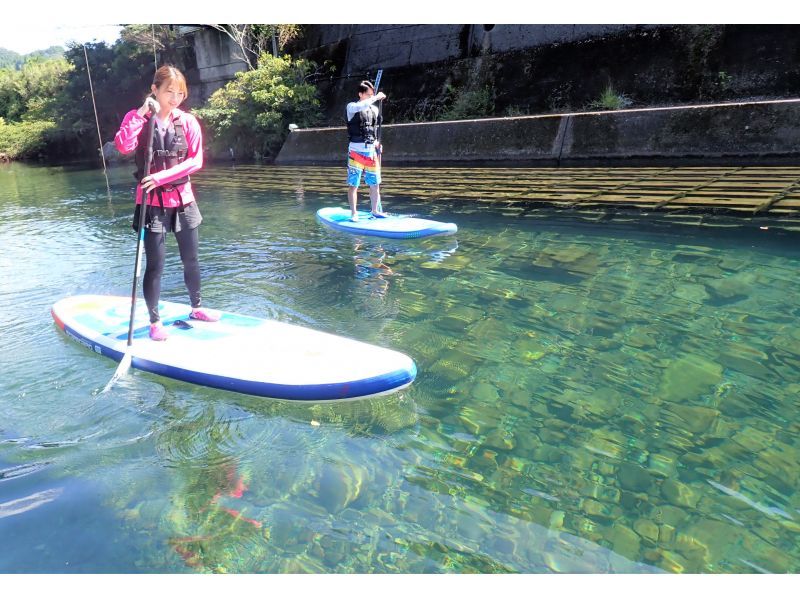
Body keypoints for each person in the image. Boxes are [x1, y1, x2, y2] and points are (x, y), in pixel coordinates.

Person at [114, 65, 219, 341]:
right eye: (169, 92)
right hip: (152, 204)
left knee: (191, 259)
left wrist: (161, 177)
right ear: (154, 91)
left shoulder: (187, 122)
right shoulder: (138, 118)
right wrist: (139, 114)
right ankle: (154, 321)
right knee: (156, 265)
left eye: (180, 93)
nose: (175, 98)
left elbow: (195, 161)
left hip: (183, 199)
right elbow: (123, 146)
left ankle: (197, 308)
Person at [346, 80, 388, 222]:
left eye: (372, 95)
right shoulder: (351, 107)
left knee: (375, 184)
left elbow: (372, 131)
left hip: (371, 152)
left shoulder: (374, 110)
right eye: (368, 95)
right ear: (360, 94)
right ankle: (354, 213)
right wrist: (375, 98)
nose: (371, 98)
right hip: (355, 153)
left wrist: (377, 143)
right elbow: (362, 105)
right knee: (354, 184)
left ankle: (375, 210)